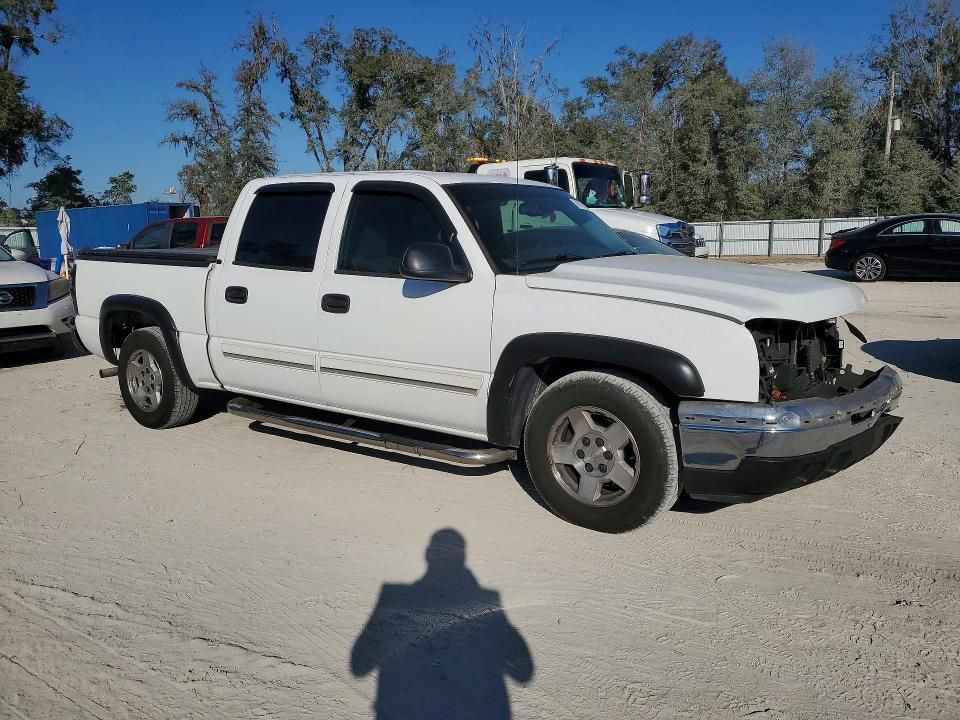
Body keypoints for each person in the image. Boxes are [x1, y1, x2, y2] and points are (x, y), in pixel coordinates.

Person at [351, 529, 534, 719]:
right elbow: (523, 672)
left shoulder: (394, 599)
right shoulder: (487, 602)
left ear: (428, 555)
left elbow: (359, 667)